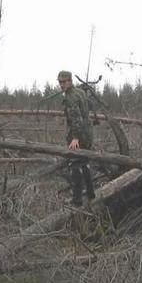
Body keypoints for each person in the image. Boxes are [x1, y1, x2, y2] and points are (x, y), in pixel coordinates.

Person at [57, 70, 95, 206]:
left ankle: (77, 199)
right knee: (84, 162)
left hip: (79, 135)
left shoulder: (71, 97)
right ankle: (91, 192)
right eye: (60, 82)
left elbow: (76, 120)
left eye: (64, 82)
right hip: (88, 133)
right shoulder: (80, 92)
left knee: (74, 164)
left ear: (70, 81)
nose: (61, 85)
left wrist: (75, 138)